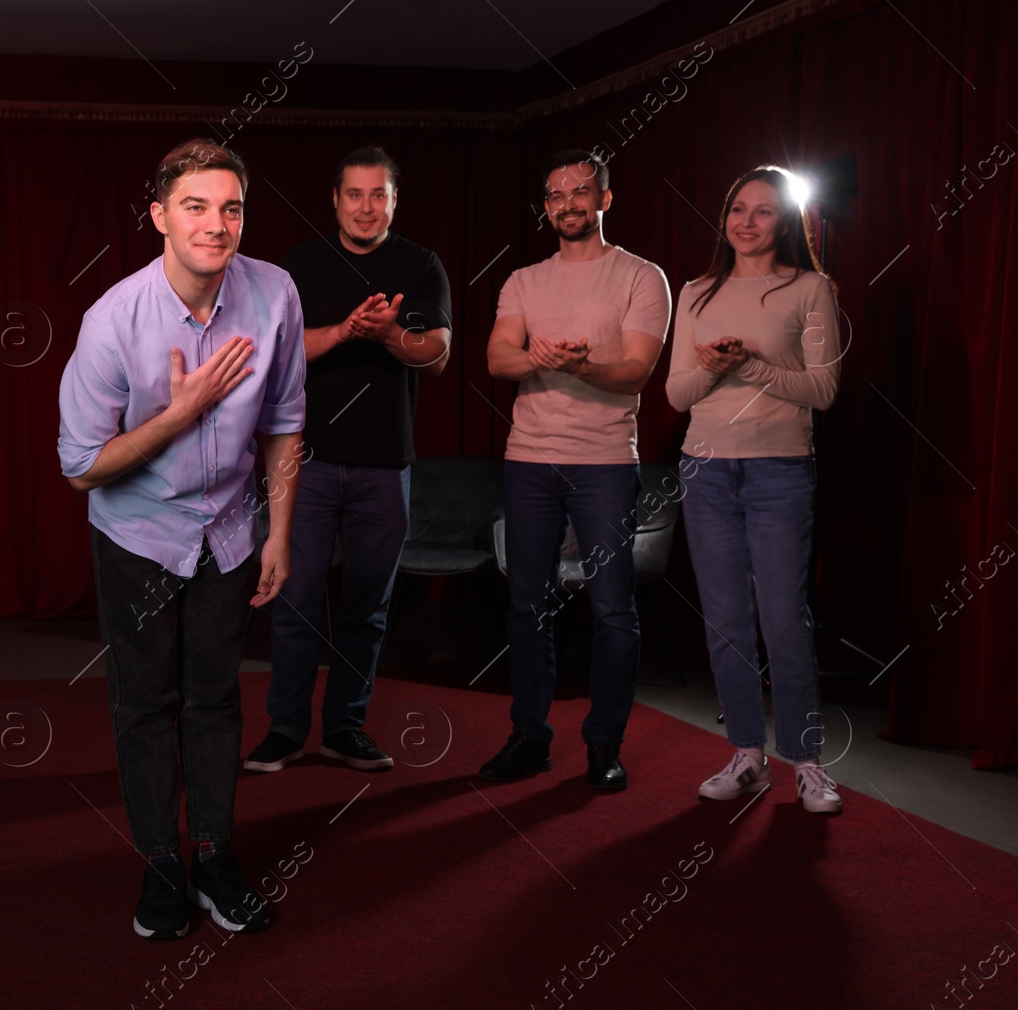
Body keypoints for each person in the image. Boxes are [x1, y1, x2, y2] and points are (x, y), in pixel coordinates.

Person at [58, 138, 306, 940]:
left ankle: (215, 856)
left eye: (231, 207)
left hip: (232, 531)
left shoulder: (275, 294)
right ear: (160, 215)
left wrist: (278, 532)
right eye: (196, 206)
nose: (217, 223)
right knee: (145, 703)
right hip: (138, 534)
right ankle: (162, 862)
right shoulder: (112, 320)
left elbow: (286, 422)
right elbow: (81, 469)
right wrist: (179, 412)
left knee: (215, 698)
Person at [243, 146, 452, 775]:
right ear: (335, 200)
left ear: (394, 201)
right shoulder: (298, 267)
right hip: (305, 461)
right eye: (354, 195)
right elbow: (270, 352)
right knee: (296, 599)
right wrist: (342, 332)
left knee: (368, 605)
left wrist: (389, 334)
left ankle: (345, 727)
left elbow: (437, 355)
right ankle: (285, 729)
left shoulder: (420, 265)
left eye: (378, 195)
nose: (366, 207)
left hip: (385, 466)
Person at [481, 148, 670, 792]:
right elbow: (497, 361)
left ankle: (603, 745)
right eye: (556, 194)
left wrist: (580, 366)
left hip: (606, 464)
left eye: (581, 192)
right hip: (529, 462)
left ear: (604, 200)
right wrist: (537, 354)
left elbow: (637, 372)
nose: (568, 203)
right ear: (546, 207)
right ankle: (530, 739)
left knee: (613, 609)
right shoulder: (524, 282)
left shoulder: (643, 278)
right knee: (527, 607)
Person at [665, 165, 843, 814]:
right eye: (737, 208)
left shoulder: (810, 288)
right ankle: (747, 755)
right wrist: (711, 369)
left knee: (784, 620)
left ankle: (807, 762)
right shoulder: (695, 292)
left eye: (763, 211)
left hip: (780, 471)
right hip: (705, 470)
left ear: (786, 222)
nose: (746, 221)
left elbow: (823, 389)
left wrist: (751, 363)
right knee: (727, 622)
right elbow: (676, 394)